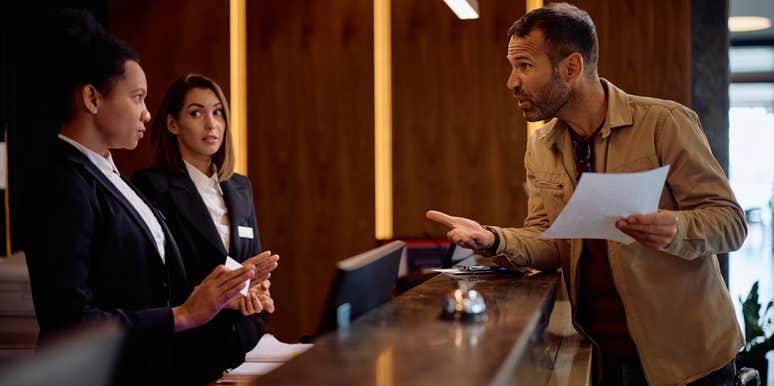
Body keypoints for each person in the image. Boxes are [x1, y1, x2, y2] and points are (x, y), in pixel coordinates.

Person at [426, 3, 746, 386]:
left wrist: (674, 228)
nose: (511, 82)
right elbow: (549, 241)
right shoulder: (541, 146)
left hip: (691, 362)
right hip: (604, 356)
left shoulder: (665, 124)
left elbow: (730, 222)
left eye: (525, 66)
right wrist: (493, 238)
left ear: (571, 68)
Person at [21, 10, 278, 386]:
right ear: (92, 98)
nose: (146, 113)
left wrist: (222, 297)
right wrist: (183, 314)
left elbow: (144, 289)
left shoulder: (109, 176)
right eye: (138, 97)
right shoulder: (63, 183)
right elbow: (69, 322)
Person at [132, 74, 276, 383]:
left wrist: (258, 291)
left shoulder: (239, 186)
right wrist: (226, 294)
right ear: (172, 124)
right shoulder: (151, 187)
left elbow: (250, 266)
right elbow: (158, 284)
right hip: (188, 354)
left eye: (217, 112)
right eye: (196, 113)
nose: (211, 124)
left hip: (244, 347)